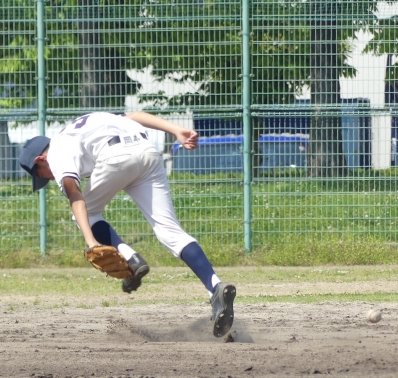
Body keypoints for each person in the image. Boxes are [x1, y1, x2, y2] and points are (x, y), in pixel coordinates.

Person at [18, 111, 236, 337]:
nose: (48, 178)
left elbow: (74, 195)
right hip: (147, 152)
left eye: (42, 175)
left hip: (116, 157)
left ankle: (131, 259)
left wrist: (91, 242)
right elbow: (133, 116)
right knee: (170, 232)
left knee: (85, 215)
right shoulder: (82, 125)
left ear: (40, 160)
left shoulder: (56, 153)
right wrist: (175, 130)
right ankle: (215, 287)